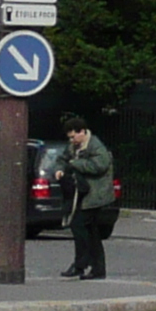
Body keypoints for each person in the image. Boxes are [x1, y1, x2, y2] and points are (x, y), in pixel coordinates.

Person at [57, 114, 119, 281]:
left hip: (95, 196)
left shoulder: (96, 146)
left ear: (82, 132)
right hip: (82, 194)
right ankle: (96, 268)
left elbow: (100, 166)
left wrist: (74, 164)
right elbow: (62, 159)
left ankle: (81, 265)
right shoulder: (73, 147)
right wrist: (60, 168)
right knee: (91, 232)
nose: (72, 141)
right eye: (69, 138)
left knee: (79, 226)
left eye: (73, 137)